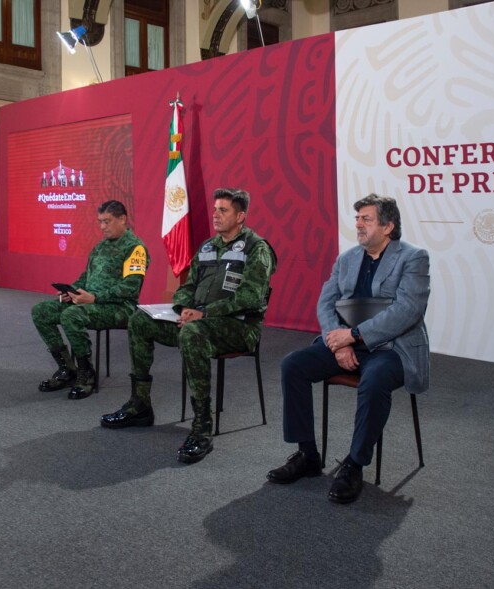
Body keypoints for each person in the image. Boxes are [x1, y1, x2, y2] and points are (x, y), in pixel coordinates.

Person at [267, 193, 430, 504]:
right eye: (357, 218)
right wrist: (336, 341)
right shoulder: (347, 258)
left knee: (376, 380)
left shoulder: (413, 258)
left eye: (366, 219)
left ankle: (354, 465)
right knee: (293, 365)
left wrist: (353, 335)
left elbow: (407, 311)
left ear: (388, 226)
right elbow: (326, 303)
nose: (358, 224)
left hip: (393, 348)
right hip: (346, 342)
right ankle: (307, 454)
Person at [100, 188, 277, 464]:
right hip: (200, 321)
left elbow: (250, 298)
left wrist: (203, 314)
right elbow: (188, 287)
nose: (216, 215)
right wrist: (182, 308)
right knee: (139, 320)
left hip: (239, 328)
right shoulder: (207, 247)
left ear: (240, 216)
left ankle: (202, 426)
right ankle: (140, 404)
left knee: (193, 332)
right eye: (215, 209)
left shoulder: (257, 248)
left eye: (224, 211)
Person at [31, 200, 149, 400]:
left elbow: (130, 287)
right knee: (41, 311)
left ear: (122, 219)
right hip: (89, 301)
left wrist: (94, 298)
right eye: (100, 222)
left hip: (119, 307)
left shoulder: (135, 248)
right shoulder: (100, 247)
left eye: (107, 221)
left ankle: (86, 374)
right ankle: (67, 369)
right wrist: (72, 291)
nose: (102, 227)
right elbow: (86, 276)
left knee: (71, 315)